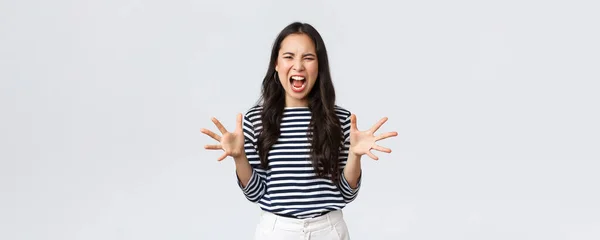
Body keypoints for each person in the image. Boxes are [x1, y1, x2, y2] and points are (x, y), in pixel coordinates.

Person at [201, 22, 398, 240]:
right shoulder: (256, 120)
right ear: (276, 63)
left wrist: (355, 155)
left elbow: (346, 193)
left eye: (308, 57)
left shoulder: (340, 120)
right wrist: (239, 157)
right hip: (276, 231)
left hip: (329, 230)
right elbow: (256, 192)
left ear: (319, 66)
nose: (298, 66)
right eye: (289, 56)